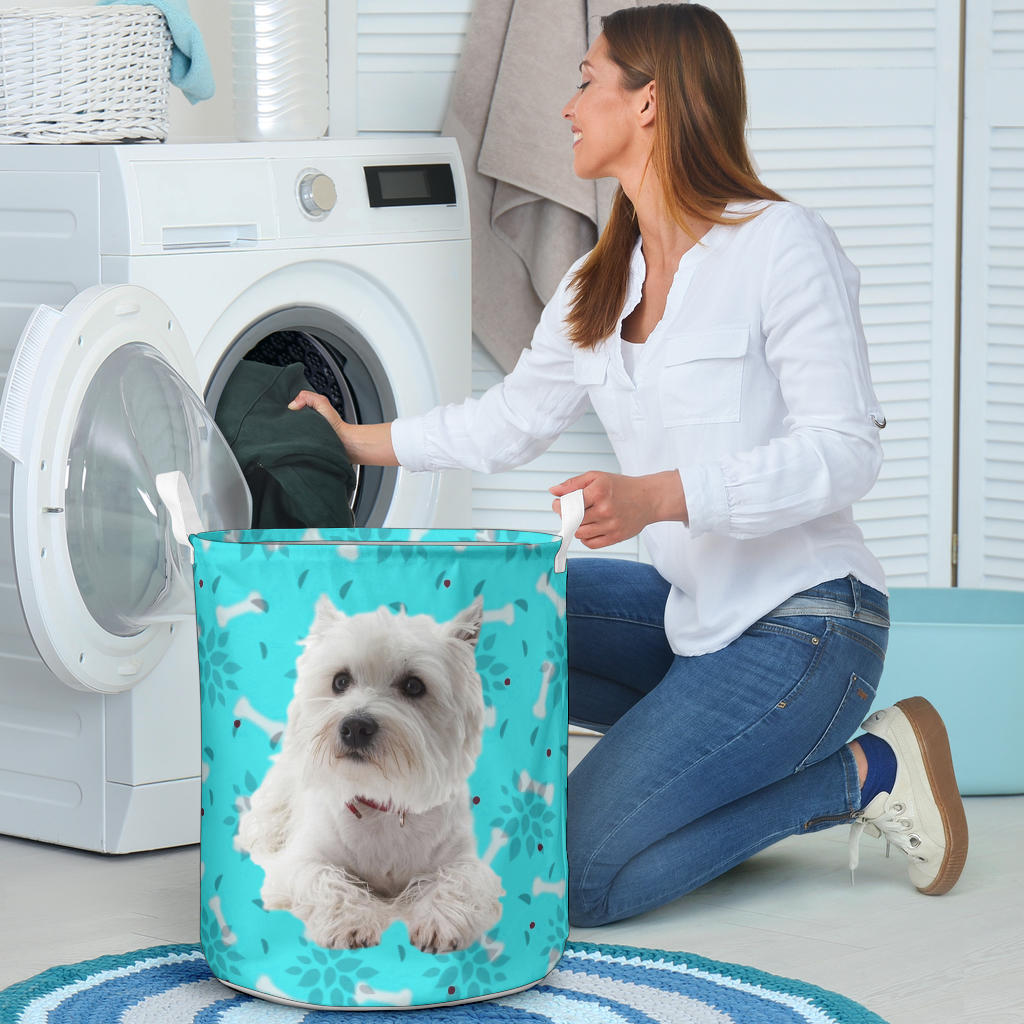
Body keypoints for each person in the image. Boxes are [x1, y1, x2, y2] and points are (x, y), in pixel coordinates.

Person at [289, 2, 968, 927]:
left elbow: (846, 453)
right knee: (490, 630)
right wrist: (362, 438)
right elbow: (510, 422)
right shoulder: (598, 281)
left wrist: (661, 497)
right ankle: (638, 769)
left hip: (810, 627)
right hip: (695, 619)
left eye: (585, 81)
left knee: (580, 880)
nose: (566, 107)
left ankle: (865, 774)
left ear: (649, 103)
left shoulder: (779, 244)